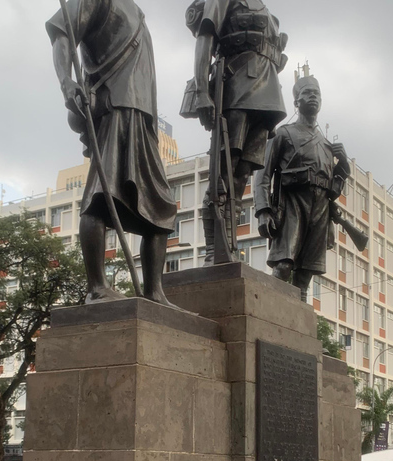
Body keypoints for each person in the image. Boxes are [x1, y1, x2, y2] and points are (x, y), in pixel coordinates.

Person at [46, 0, 177, 305]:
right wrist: (67, 82)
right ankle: (97, 287)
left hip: (143, 119)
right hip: (115, 108)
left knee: (161, 207)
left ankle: (154, 291)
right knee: (101, 196)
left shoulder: (138, 12)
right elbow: (62, 34)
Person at [183, 0, 289, 265]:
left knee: (241, 177)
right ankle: (213, 250)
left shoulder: (267, 11)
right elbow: (205, 39)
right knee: (222, 174)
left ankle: (229, 246)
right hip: (235, 88)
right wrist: (202, 91)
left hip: (266, 96)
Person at [254, 75, 350, 301]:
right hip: (292, 205)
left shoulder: (327, 145)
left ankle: (299, 325)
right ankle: (270, 314)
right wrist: (263, 210)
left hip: (320, 210)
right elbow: (263, 173)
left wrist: (343, 165)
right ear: (297, 101)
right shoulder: (283, 134)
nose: (313, 97)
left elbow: (333, 191)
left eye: (317, 93)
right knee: (284, 266)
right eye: (307, 93)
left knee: (305, 275)